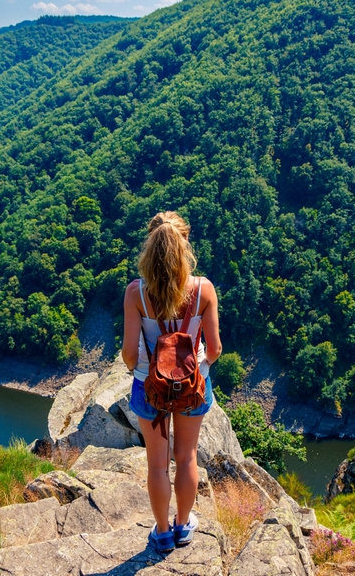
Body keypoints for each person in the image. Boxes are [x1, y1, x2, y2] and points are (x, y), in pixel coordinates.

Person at [121, 211, 222, 552]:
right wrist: (198, 367)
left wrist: (143, 366)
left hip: (149, 389)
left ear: (149, 248)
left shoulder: (136, 293)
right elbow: (216, 349)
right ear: (185, 246)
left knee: (157, 463)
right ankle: (184, 525)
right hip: (193, 389)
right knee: (187, 457)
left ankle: (162, 533)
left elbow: (129, 355)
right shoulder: (203, 289)